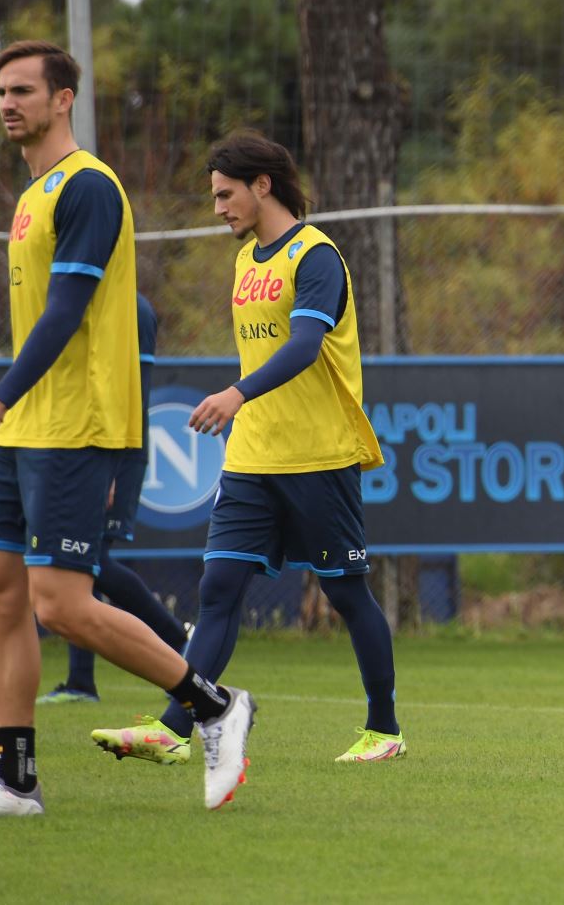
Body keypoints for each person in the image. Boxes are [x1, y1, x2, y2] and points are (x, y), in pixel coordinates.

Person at [0, 40, 253, 816]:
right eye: (2, 90)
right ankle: (17, 777)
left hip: (76, 423)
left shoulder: (90, 187)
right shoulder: (32, 193)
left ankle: (213, 705)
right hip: (26, 427)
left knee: (61, 603)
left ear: (64, 98)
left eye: (25, 89)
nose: (9, 102)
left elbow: (66, 312)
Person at [91, 131, 404, 766]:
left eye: (225, 194)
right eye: (214, 196)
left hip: (317, 456)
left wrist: (236, 393)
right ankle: (176, 728)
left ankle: (384, 729)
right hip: (253, 456)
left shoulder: (315, 257)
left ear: (263, 185)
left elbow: (304, 345)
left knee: (346, 593)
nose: (217, 209)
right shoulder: (246, 261)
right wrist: (243, 409)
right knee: (220, 587)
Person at [39, 293, 192, 705]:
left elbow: (128, 391)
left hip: (113, 453)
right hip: (85, 450)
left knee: (92, 562)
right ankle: (81, 683)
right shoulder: (85, 297)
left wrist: (109, 463)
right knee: (79, 564)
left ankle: (178, 640)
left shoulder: (132, 308)